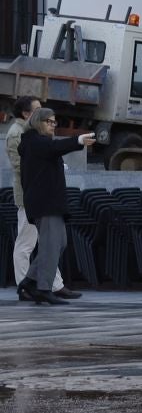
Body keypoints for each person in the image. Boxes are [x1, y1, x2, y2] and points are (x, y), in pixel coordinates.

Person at [17, 108, 95, 306]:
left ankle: (28, 281)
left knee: (58, 243)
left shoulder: (37, 142)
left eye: (54, 122)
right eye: (49, 122)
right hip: (46, 202)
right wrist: (77, 141)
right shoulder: (35, 142)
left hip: (49, 202)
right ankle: (43, 288)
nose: (53, 125)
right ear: (38, 122)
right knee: (51, 245)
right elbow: (55, 149)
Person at [7, 97, 77, 301]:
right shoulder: (18, 135)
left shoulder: (37, 135)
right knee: (27, 244)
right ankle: (30, 286)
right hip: (30, 195)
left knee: (52, 242)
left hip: (41, 195)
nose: (45, 115)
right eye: (38, 111)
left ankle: (43, 283)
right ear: (27, 114)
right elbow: (22, 166)